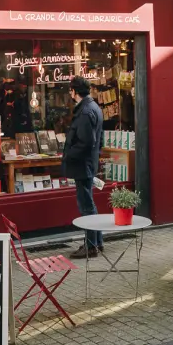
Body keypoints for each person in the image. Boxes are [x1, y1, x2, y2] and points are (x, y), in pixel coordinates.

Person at [63, 76, 104, 258]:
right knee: (89, 203)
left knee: (86, 206)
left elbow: (87, 142)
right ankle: (97, 242)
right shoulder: (93, 107)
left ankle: (91, 246)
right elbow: (98, 140)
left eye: (70, 90)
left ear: (74, 91)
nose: (70, 93)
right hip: (88, 163)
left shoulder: (86, 112)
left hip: (82, 164)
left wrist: (69, 154)